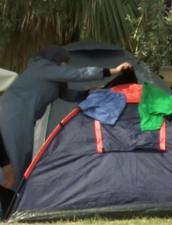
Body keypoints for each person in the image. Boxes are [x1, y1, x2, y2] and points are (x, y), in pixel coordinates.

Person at [0, 45, 133, 185]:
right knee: (13, 159)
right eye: (64, 61)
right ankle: (6, 200)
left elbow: (68, 95)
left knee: (22, 158)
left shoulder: (55, 81)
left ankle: (12, 199)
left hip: (23, 118)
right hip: (11, 114)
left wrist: (90, 92)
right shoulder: (43, 67)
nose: (66, 65)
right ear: (55, 58)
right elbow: (78, 74)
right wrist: (113, 71)